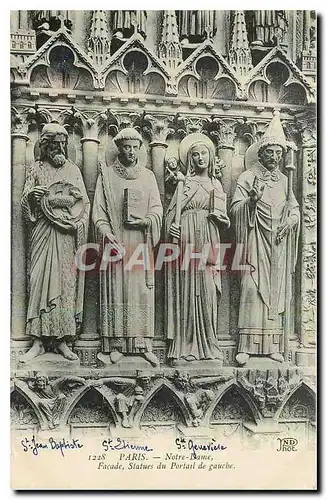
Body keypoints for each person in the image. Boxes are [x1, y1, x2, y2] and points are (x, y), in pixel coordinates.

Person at [230, 111, 300, 365]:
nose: (274, 157)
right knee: (251, 289)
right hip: (254, 242)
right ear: (260, 153)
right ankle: (247, 345)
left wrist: (291, 221)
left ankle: (272, 345)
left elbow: (294, 209)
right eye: (269, 152)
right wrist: (251, 201)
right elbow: (235, 209)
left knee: (275, 294)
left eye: (278, 154)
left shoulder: (284, 181)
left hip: (278, 246)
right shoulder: (247, 178)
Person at [92, 128, 163, 367]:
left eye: (134, 147)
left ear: (140, 149)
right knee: (118, 290)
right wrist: (108, 235)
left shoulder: (149, 176)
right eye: (126, 147)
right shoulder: (107, 176)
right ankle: (117, 343)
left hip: (141, 241)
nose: (130, 151)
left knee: (141, 291)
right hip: (117, 244)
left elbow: (157, 210)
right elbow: (98, 214)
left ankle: (142, 343)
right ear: (119, 149)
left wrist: (146, 221)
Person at [20, 122, 89, 363]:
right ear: (45, 146)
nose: (58, 149)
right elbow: (26, 201)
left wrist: (76, 222)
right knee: (39, 280)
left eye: (62, 145)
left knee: (65, 285)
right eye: (54, 145)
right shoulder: (36, 168)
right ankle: (37, 341)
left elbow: (83, 204)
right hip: (42, 231)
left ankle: (61, 341)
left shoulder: (73, 170)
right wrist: (31, 197)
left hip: (66, 235)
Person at [165, 133, 230, 366]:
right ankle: (186, 347)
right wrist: (171, 227)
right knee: (187, 292)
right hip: (186, 239)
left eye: (204, 153)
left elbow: (226, 221)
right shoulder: (185, 183)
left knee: (208, 291)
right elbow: (172, 214)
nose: (200, 157)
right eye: (195, 154)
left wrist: (220, 219)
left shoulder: (216, 184)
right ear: (190, 159)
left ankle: (209, 346)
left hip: (209, 236)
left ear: (211, 157)